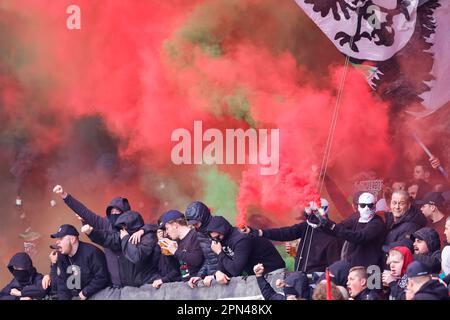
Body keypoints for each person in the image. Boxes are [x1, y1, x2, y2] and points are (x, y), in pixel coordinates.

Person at [53, 185, 152, 288]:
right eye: (112, 212)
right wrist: (65, 195)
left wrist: (143, 230)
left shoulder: (132, 228)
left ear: (126, 214)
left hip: (135, 286)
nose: (114, 214)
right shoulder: (105, 224)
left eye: (118, 212)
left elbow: (153, 228)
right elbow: (85, 212)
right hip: (115, 286)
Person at [245, 198, 342, 273]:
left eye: (311, 213)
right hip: (300, 276)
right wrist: (260, 233)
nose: (308, 217)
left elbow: (334, 267)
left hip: (319, 281)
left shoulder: (333, 236)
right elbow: (285, 233)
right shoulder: (306, 226)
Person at [85, 211, 160, 287]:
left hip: (150, 283)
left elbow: (136, 256)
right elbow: (107, 238)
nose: (123, 229)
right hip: (129, 287)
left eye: (125, 226)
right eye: (122, 227)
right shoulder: (124, 235)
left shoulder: (148, 236)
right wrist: (91, 233)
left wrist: (129, 236)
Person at [206, 216, 285, 284]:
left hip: (274, 273)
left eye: (218, 236)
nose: (217, 240)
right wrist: (216, 274)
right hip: (260, 274)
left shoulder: (241, 239)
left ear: (224, 230)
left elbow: (235, 270)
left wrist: (219, 252)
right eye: (214, 238)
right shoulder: (224, 240)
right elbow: (226, 264)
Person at [319, 192, 386, 268]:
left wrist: (332, 226)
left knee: (335, 271)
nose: (366, 209)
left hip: (369, 268)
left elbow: (359, 237)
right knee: (331, 273)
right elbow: (339, 229)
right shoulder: (356, 217)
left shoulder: (377, 223)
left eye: (370, 205)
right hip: (352, 265)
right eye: (363, 205)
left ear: (374, 206)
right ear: (358, 206)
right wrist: (321, 224)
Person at [51, 224, 109, 300]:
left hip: (98, 293)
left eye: (61, 238)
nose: (57, 242)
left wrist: (85, 292)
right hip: (77, 296)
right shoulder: (62, 256)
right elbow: (62, 285)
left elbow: (102, 278)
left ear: (72, 239)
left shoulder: (92, 252)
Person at [158, 210, 204, 282]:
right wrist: (168, 254)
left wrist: (175, 251)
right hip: (185, 286)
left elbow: (197, 260)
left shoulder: (195, 235)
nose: (166, 232)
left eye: (167, 228)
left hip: (199, 286)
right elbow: (177, 270)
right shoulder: (177, 242)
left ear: (175, 225)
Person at [184, 201, 218, 288]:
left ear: (203, 218)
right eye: (192, 224)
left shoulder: (218, 229)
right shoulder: (199, 233)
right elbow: (209, 259)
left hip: (225, 279)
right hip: (211, 280)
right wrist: (199, 276)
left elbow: (227, 257)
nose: (195, 226)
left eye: (196, 223)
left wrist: (215, 276)